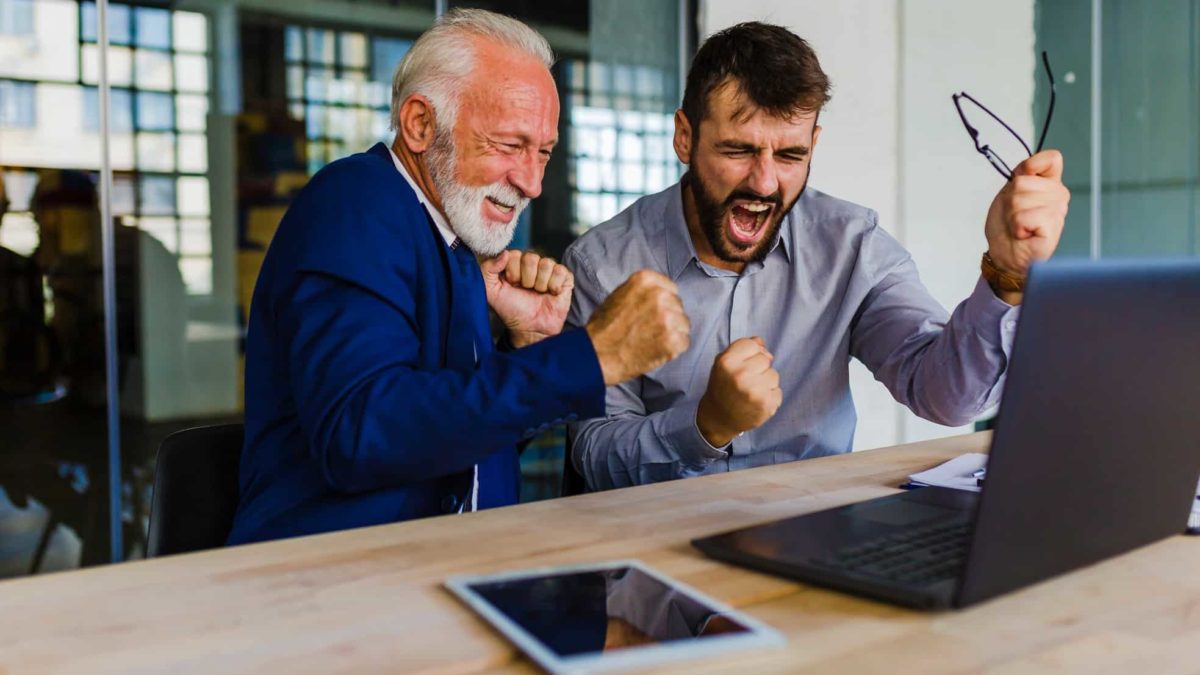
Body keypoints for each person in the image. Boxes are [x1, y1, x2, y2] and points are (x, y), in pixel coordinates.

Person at [227, 9, 690, 545]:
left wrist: (524, 347)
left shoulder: (451, 233)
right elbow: (359, 436)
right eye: (510, 145)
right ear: (420, 124)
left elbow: (452, 448)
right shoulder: (355, 202)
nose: (532, 183)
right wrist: (590, 357)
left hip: (444, 571)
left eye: (543, 152)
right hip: (332, 588)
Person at [564, 22, 1070, 491]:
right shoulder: (602, 263)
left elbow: (946, 397)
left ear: (813, 144)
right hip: (657, 550)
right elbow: (594, 456)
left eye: (789, 156)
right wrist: (707, 425)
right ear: (685, 137)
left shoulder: (852, 244)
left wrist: (1008, 274)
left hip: (814, 536)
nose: (764, 183)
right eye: (738, 150)